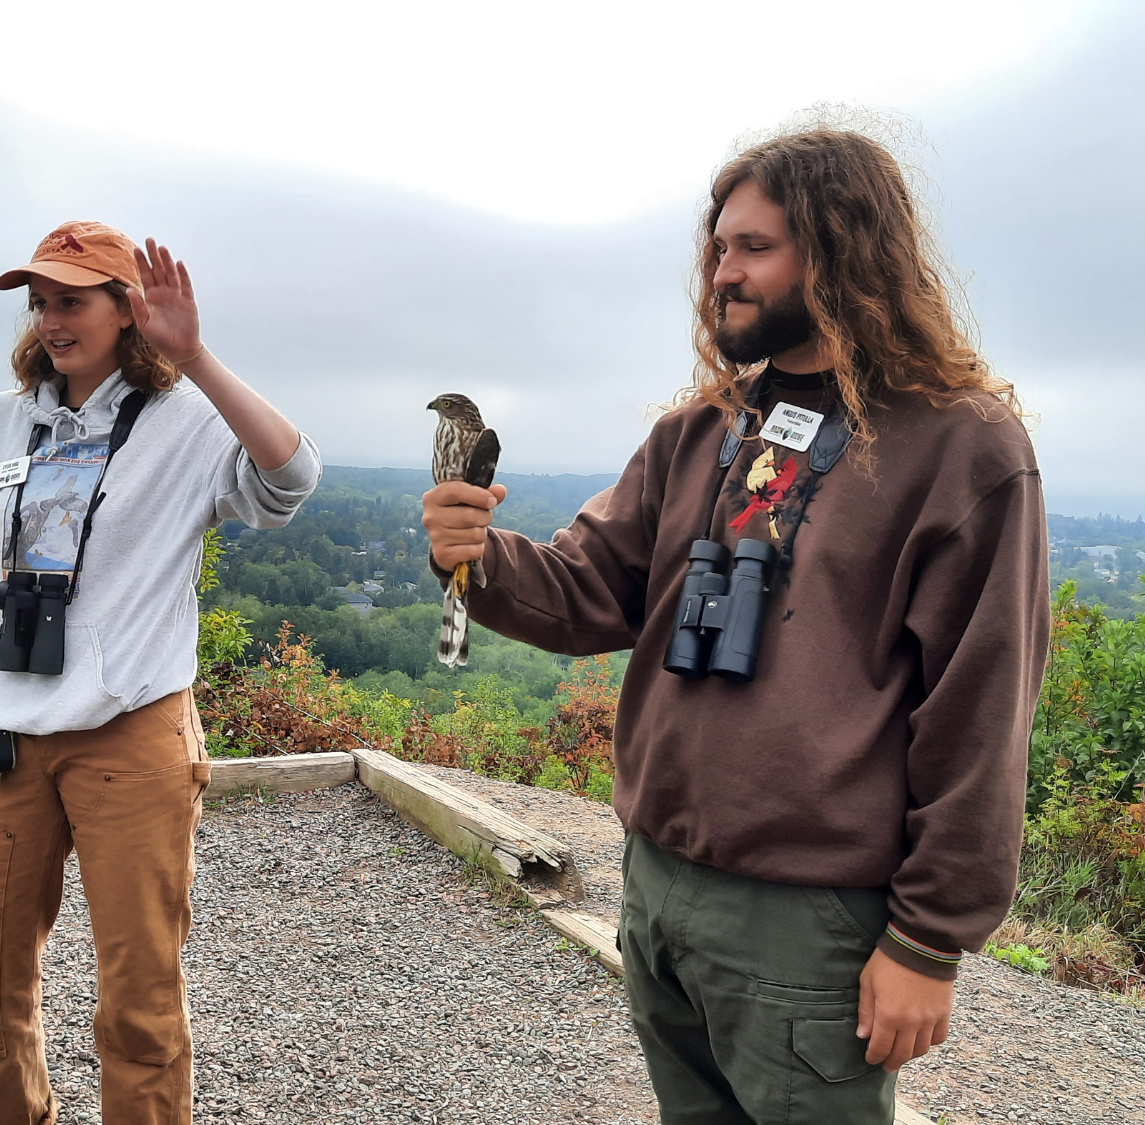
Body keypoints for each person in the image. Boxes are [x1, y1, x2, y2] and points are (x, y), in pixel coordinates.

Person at [421, 130, 1049, 1124]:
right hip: (661, 888)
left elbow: (980, 713)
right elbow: (591, 589)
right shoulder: (704, 429)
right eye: (718, 250)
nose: (722, 274)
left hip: (808, 918)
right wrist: (477, 557)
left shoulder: (959, 446)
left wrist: (927, 943)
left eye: (753, 249)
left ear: (841, 250)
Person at [0, 221, 320, 1124]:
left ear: (127, 309)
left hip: (131, 735)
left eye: (72, 298)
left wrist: (199, 359)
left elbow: (290, 480)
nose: (50, 318)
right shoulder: (2, 418)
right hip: (2, 739)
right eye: (40, 301)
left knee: (139, 1000)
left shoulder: (186, 419)